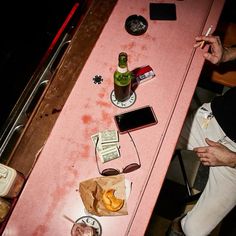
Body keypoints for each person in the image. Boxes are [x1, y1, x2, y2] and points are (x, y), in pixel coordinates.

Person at [167, 34, 236, 236]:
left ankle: (178, 226)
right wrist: (227, 54)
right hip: (212, 119)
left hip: (233, 162)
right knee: (149, 144)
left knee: (194, 231)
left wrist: (231, 159)